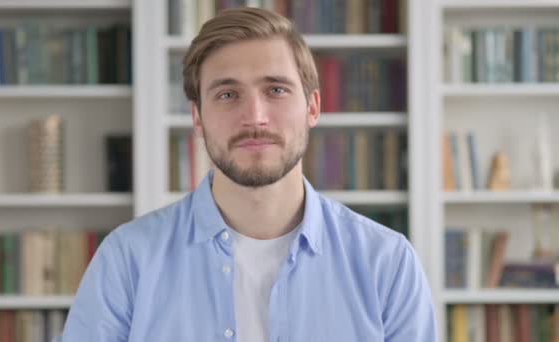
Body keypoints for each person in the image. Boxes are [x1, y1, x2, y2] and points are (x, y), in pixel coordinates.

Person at [62, 7, 437, 342]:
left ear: (313, 107)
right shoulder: (127, 260)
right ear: (197, 117)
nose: (255, 116)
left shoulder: (387, 262)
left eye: (276, 89)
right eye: (228, 94)